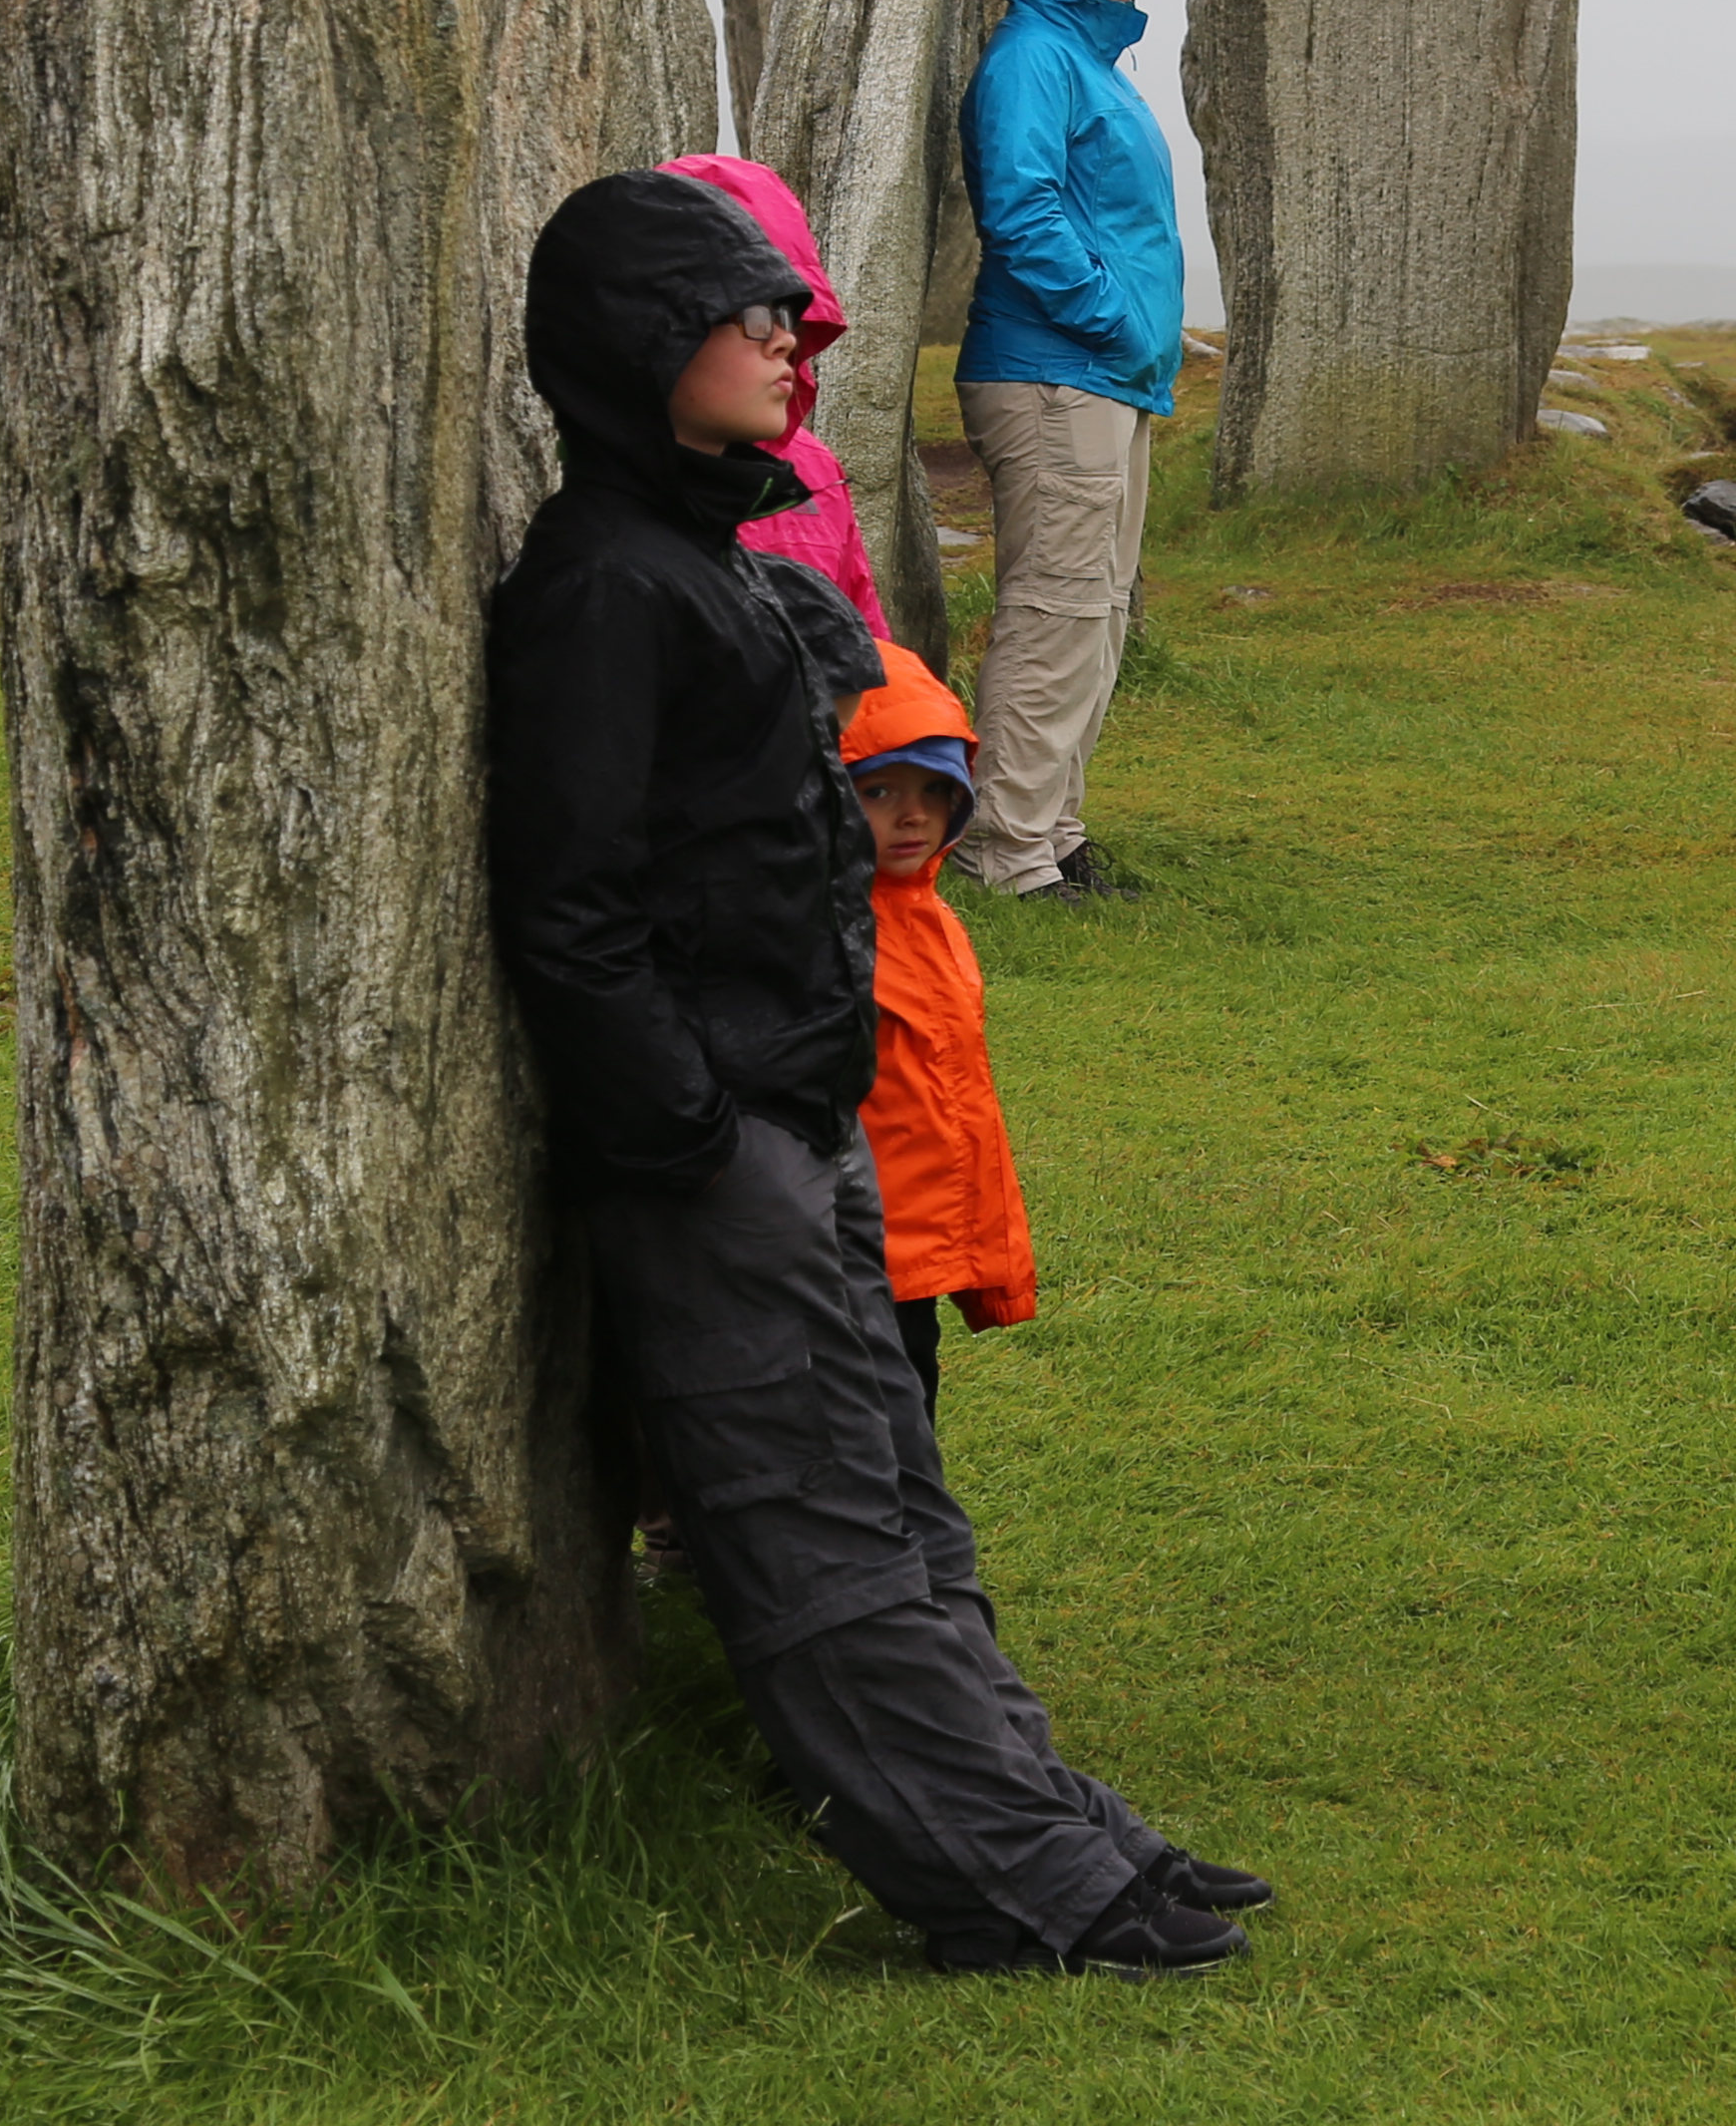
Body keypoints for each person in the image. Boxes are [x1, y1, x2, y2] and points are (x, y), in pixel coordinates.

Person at [485, 165, 1263, 1976]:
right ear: (637, 341)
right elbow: (571, 903)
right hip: (721, 1140)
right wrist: (689, 1124)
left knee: (899, 1492)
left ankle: (1073, 1837)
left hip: (800, 1107)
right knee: (814, 1523)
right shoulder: (602, 584)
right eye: (744, 313)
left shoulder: (704, 555)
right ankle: (1020, 1892)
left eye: (784, 310)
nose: (788, 338)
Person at [950, 0, 1186, 903]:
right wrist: (1115, 321)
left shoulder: (1082, 63)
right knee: (1056, 610)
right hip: (1054, 376)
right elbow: (1023, 212)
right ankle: (1007, 854)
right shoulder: (1032, 62)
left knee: (1098, 612)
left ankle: (1053, 835)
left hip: (1102, 377)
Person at [835, 639, 1041, 1433]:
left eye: (934, 789)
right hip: (845, 1246)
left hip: (910, 1246)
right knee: (861, 1431)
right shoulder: (820, 923)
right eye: (878, 790)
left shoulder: (926, 916)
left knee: (904, 1417)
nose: (913, 814)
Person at [659, 150, 888, 641]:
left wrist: (920, 720)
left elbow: (874, 659)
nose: (784, 340)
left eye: (789, 315)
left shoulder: (814, 472)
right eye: (755, 315)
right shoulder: (603, 489)